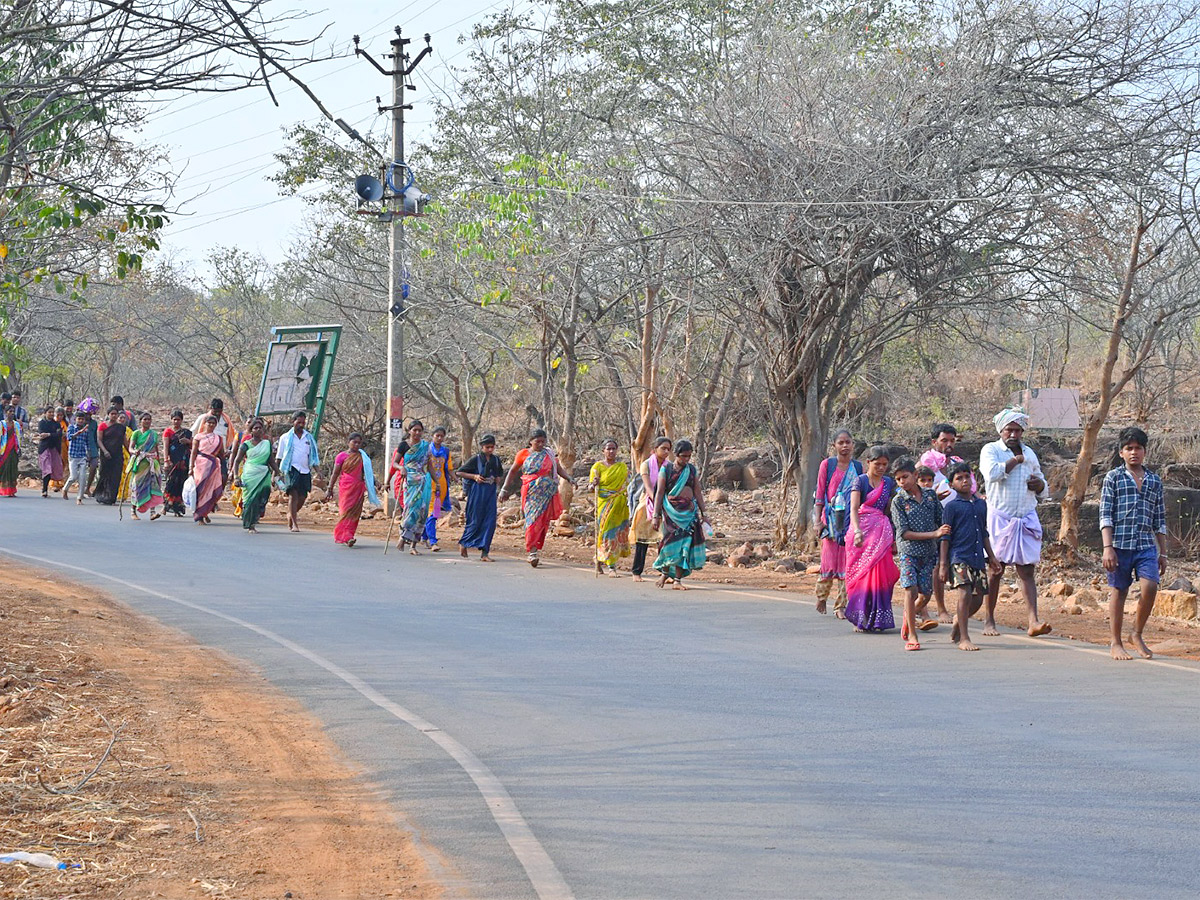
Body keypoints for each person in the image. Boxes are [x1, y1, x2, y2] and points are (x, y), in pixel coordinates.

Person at [980, 406, 1051, 637]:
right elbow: (991, 474)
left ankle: (1034, 621)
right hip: (1000, 517)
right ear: (1001, 430)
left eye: (1018, 430)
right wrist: (1014, 461)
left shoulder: (1030, 453)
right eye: (1009, 430)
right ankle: (989, 620)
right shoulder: (991, 450)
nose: (1013, 434)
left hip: (1025, 516)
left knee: (1027, 570)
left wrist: (1040, 486)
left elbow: (1042, 483)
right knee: (995, 570)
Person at [1100, 427, 1167, 661]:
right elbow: (1105, 514)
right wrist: (1108, 548)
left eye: (1138, 448)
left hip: (1146, 545)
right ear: (1121, 452)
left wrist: (1163, 553)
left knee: (1150, 587)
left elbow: (1159, 518)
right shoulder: (1114, 478)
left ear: (1145, 451)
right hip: (1119, 545)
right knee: (1119, 590)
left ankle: (1136, 634)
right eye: (1129, 448)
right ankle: (1116, 642)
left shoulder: (1154, 481)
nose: (1134, 452)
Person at [939, 463, 1001, 651]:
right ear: (951, 484)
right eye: (959, 478)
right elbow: (945, 537)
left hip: (977, 557)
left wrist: (992, 557)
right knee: (964, 593)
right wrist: (943, 564)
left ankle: (960, 620)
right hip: (959, 556)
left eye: (967, 476)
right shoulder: (951, 507)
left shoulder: (981, 504)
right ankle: (964, 638)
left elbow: (984, 532)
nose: (965, 481)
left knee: (979, 597)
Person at [890, 457, 950, 649]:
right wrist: (934, 533)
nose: (902, 482)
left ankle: (908, 617)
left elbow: (941, 520)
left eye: (905, 477)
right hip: (908, 552)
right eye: (898, 479)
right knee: (910, 590)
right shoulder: (898, 501)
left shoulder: (931, 496)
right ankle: (913, 636)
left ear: (915, 476)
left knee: (925, 595)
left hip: (928, 552)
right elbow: (904, 533)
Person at [499, 429, 573, 567]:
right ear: (530, 441)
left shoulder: (549, 454)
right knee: (532, 521)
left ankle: (535, 549)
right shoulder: (523, 454)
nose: (540, 444)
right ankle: (531, 552)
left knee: (542, 522)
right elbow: (513, 471)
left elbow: (558, 469)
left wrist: (569, 478)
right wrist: (504, 489)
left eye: (543, 441)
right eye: (537, 441)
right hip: (530, 493)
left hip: (546, 493)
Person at [845, 445, 899, 632]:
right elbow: (853, 508)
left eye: (885, 464)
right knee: (862, 576)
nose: (881, 468)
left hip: (881, 534)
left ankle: (877, 618)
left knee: (881, 576)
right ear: (868, 462)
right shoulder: (860, 481)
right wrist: (858, 531)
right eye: (877, 464)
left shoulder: (889, 483)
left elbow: (891, 507)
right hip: (861, 532)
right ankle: (861, 617)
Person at [812, 429, 864, 617]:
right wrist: (817, 521)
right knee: (829, 560)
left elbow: (861, 494)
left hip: (850, 520)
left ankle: (841, 605)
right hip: (830, 519)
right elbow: (819, 494)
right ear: (834, 445)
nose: (844, 446)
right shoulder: (828, 465)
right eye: (840, 442)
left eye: (847, 442)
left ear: (852, 444)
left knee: (846, 561)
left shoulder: (858, 468)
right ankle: (822, 596)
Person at [650, 439, 709, 589]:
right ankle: (665, 573)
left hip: (688, 514)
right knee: (669, 544)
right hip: (671, 513)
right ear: (676, 454)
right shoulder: (666, 470)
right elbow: (659, 493)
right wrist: (655, 516)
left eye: (689, 456)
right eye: (683, 456)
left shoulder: (691, 470)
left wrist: (704, 514)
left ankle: (677, 580)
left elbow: (697, 492)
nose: (686, 459)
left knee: (684, 547)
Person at [324, 432, 379, 547]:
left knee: (355, 513)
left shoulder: (363, 457)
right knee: (345, 511)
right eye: (354, 442)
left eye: (359, 443)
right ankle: (343, 536)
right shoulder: (341, 456)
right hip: (346, 487)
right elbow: (335, 473)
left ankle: (349, 536)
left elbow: (367, 473)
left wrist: (376, 482)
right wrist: (329, 488)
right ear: (348, 442)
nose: (357, 445)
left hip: (358, 488)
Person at [630, 437, 672, 582]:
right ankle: (636, 571)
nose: (666, 452)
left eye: (668, 449)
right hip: (647, 502)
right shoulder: (646, 465)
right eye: (663, 448)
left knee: (665, 540)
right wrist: (656, 502)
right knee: (642, 539)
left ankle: (665, 573)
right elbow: (648, 487)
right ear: (655, 450)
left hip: (665, 504)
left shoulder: (670, 466)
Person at [588, 438, 632, 576]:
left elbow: (627, 485)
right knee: (606, 533)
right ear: (603, 451)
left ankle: (603, 561)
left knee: (616, 534)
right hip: (605, 505)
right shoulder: (597, 467)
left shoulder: (622, 467)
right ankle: (610, 565)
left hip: (620, 505)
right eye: (608, 449)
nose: (611, 451)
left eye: (613, 448)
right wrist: (593, 484)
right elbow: (590, 488)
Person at [457, 434, 504, 561]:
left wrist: (498, 479)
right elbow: (459, 472)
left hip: (490, 493)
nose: (490, 450)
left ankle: (485, 553)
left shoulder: (496, 460)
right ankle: (464, 542)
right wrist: (474, 477)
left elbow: (499, 473)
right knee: (475, 520)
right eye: (487, 447)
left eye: (492, 447)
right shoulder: (475, 459)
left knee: (490, 522)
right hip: (477, 492)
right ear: (482, 447)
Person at [276, 410, 320, 533]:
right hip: (291, 469)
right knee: (293, 495)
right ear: (293, 422)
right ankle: (295, 524)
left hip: (305, 470)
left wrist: (318, 471)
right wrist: (277, 473)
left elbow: (313, 456)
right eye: (298, 422)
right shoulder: (285, 438)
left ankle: (291, 514)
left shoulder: (309, 438)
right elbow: (279, 457)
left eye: (303, 422)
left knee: (303, 496)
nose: (301, 424)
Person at [232, 418, 277, 533]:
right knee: (250, 500)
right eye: (255, 428)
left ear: (263, 430)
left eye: (260, 428)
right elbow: (237, 461)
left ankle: (255, 519)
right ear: (251, 430)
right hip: (250, 474)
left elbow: (271, 461)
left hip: (263, 474)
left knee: (262, 497)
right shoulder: (245, 445)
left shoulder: (267, 444)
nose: (258, 430)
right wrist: (236, 476)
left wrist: (279, 473)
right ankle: (249, 524)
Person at [396, 420, 434, 553]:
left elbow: (429, 466)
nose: (417, 433)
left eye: (420, 430)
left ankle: (413, 545)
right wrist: (401, 468)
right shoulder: (403, 445)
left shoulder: (426, 446)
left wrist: (437, 483)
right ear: (409, 431)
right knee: (410, 510)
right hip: (410, 481)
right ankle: (403, 537)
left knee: (422, 513)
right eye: (414, 430)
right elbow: (394, 463)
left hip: (424, 481)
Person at [125, 412, 164, 520]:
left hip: (151, 463)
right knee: (137, 486)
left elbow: (156, 449)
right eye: (145, 419)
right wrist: (135, 452)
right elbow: (130, 448)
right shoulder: (136, 433)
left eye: (149, 419)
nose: (147, 421)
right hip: (140, 463)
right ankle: (133, 511)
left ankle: (152, 512)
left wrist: (159, 463)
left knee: (153, 487)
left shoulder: (154, 434)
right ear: (140, 421)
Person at [422, 426, 455, 550]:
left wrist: (456, 478)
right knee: (431, 512)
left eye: (442, 436)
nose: (439, 438)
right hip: (428, 484)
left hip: (441, 485)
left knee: (434, 512)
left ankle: (424, 537)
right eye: (437, 436)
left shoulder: (446, 451)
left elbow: (449, 469)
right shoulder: (426, 449)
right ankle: (433, 541)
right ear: (432, 436)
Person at [189, 414, 225, 524]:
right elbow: (194, 452)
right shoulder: (198, 437)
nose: (211, 425)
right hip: (200, 464)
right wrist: (191, 467)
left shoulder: (218, 438)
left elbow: (221, 454)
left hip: (213, 466)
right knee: (201, 489)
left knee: (212, 490)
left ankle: (205, 512)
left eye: (213, 423)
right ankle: (199, 515)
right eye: (209, 423)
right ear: (205, 424)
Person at [192, 398, 235, 484]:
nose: (217, 414)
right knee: (204, 479)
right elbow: (193, 435)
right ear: (210, 408)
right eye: (215, 411)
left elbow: (232, 436)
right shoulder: (203, 418)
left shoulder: (226, 420)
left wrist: (229, 451)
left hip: (221, 453)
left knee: (222, 477)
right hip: (205, 455)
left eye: (219, 412)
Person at [93, 406, 128, 505]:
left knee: (116, 476)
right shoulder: (103, 426)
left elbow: (125, 442)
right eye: (112, 414)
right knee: (105, 474)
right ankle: (102, 495)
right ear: (108, 415)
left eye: (115, 414)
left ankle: (112, 497)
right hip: (106, 454)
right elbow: (99, 440)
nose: (114, 416)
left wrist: (131, 452)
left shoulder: (121, 427)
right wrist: (105, 451)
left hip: (117, 454)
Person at [162, 411, 192, 516]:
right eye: (174, 419)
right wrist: (166, 460)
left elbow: (193, 445)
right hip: (172, 462)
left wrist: (188, 442)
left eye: (178, 419)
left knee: (181, 484)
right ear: (171, 420)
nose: (176, 421)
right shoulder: (168, 432)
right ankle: (165, 507)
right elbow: (165, 447)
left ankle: (177, 509)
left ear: (182, 420)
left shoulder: (186, 433)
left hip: (183, 462)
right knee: (171, 484)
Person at [61, 411, 90, 503]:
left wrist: (88, 454)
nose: (81, 421)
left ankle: (79, 498)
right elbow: (69, 437)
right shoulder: (71, 428)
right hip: (73, 456)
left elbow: (86, 443)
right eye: (79, 419)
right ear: (75, 419)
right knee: (73, 476)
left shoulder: (86, 431)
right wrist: (79, 432)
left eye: (82, 419)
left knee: (83, 477)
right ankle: (65, 489)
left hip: (82, 456)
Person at [36, 406, 64, 497]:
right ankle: (44, 490)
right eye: (49, 412)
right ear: (45, 413)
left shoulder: (56, 424)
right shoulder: (42, 423)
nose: (51, 414)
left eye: (52, 412)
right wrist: (52, 434)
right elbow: (41, 434)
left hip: (54, 448)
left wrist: (48, 434)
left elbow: (58, 435)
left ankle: (47, 488)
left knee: (54, 469)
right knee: (46, 469)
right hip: (44, 448)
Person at [0, 406, 20, 497]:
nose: (12, 413)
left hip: (13, 449)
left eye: (13, 411)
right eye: (10, 411)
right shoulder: (2, 424)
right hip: (4, 449)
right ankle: (4, 489)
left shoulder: (16, 424)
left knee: (13, 470)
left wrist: (19, 448)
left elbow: (18, 437)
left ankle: (11, 490)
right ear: (6, 412)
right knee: (4, 469)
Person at [52, 406, 69, 491]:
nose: (59, 417)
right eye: (58, 415)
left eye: (61, 415)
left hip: (63, 445)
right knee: (55, 464)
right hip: (54, 445)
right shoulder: (53, 423)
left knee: (63, 463)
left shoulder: (65, 423)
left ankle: (62, 482)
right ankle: (55, 483)